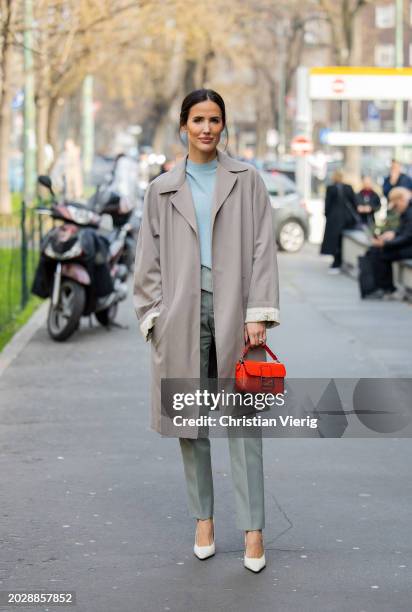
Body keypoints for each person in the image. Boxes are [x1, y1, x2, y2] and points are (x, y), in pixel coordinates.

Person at [133, 89, 280, 573]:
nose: (206, 128)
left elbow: (263, 247)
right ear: (183, 125)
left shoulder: (247, 180)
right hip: (181, 315)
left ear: (223, 126)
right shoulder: (162, 189)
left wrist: (258, 312)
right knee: (189, 424)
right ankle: (204, 520)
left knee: (244, 422)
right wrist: (155, 315)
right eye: (198, 119)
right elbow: (147, 261)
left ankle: (254, 530)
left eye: (215, 120)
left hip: (238, 314)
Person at [362, 187, 412, 300]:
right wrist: (393, 234)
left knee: (382, 253)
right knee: (375, 251)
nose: (396, 209)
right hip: (407, 244)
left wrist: (385, 244)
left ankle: (386, 288)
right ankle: (382, 287)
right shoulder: (407, 210)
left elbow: (408, 237)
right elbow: (403, 230)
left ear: (401, 200)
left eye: (396, 206)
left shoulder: (410, 212)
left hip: (409, 247)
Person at [320, 170, 358, 273]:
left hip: (334, 219)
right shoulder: (348, 188)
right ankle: (339, 261)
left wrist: (327, 215)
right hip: (346, 219)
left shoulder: (331, 188)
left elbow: (327, 205)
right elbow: (355, 203)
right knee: (341, 241)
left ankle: (336, 262)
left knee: (334, 242)